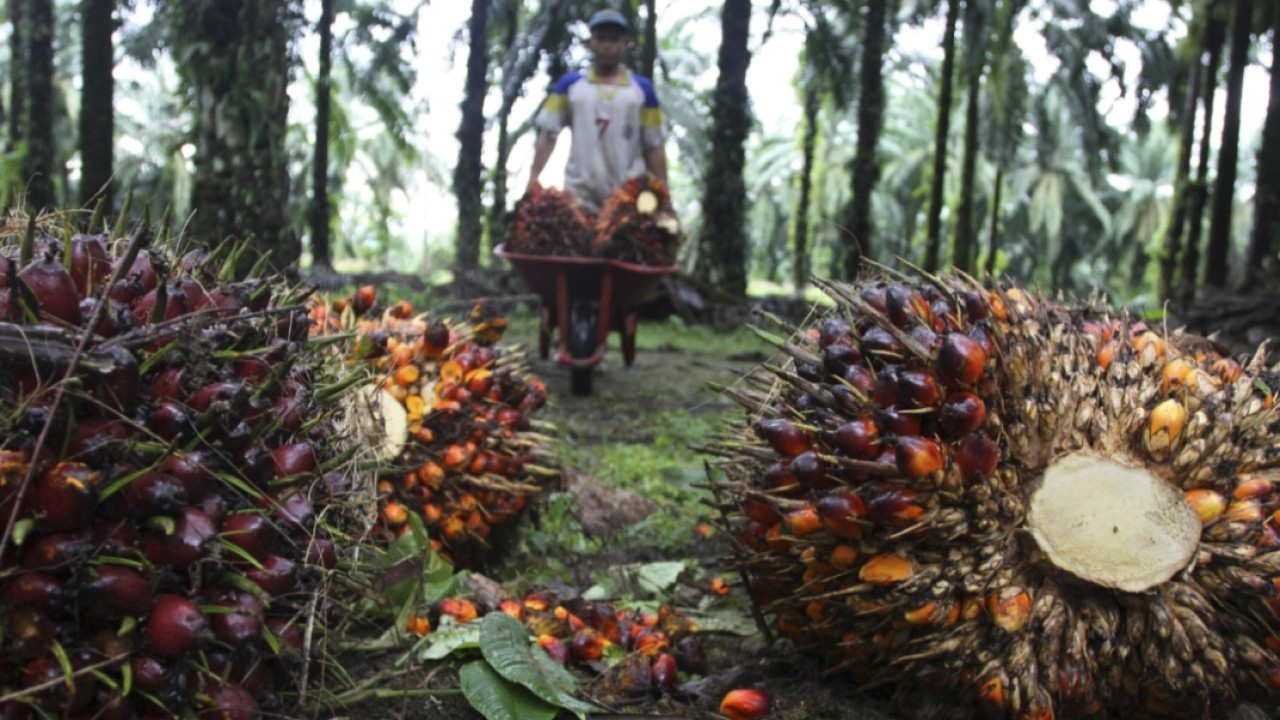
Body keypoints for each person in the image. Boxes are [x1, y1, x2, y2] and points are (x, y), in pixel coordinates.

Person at [527, 8, 669, 215]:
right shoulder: (570, 86)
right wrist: (532, 179)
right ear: (590, 43)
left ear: (625, 43)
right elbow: (549, 134)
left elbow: (653, 145)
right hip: (578, 198)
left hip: (628, 198)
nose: (607, 46)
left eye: (614, 39)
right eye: (601, 38)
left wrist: (664, 194)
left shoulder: (642, 90)